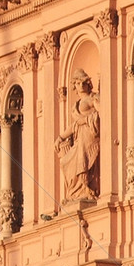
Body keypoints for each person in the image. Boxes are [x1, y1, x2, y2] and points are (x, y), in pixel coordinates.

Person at [56, 69, 100, 200]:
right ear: (74, 85)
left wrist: (86, 120)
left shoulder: (93, 98)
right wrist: (61, 137)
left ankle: (86, 186)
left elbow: (101, 112)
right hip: (79, 134)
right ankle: (77, 190)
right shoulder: (76, 105)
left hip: (89, 133)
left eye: (83, 82)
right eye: (78, 83)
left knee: (82, 156)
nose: (81, 85)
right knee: (66, 161)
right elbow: (73, 126)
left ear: (88, 83)